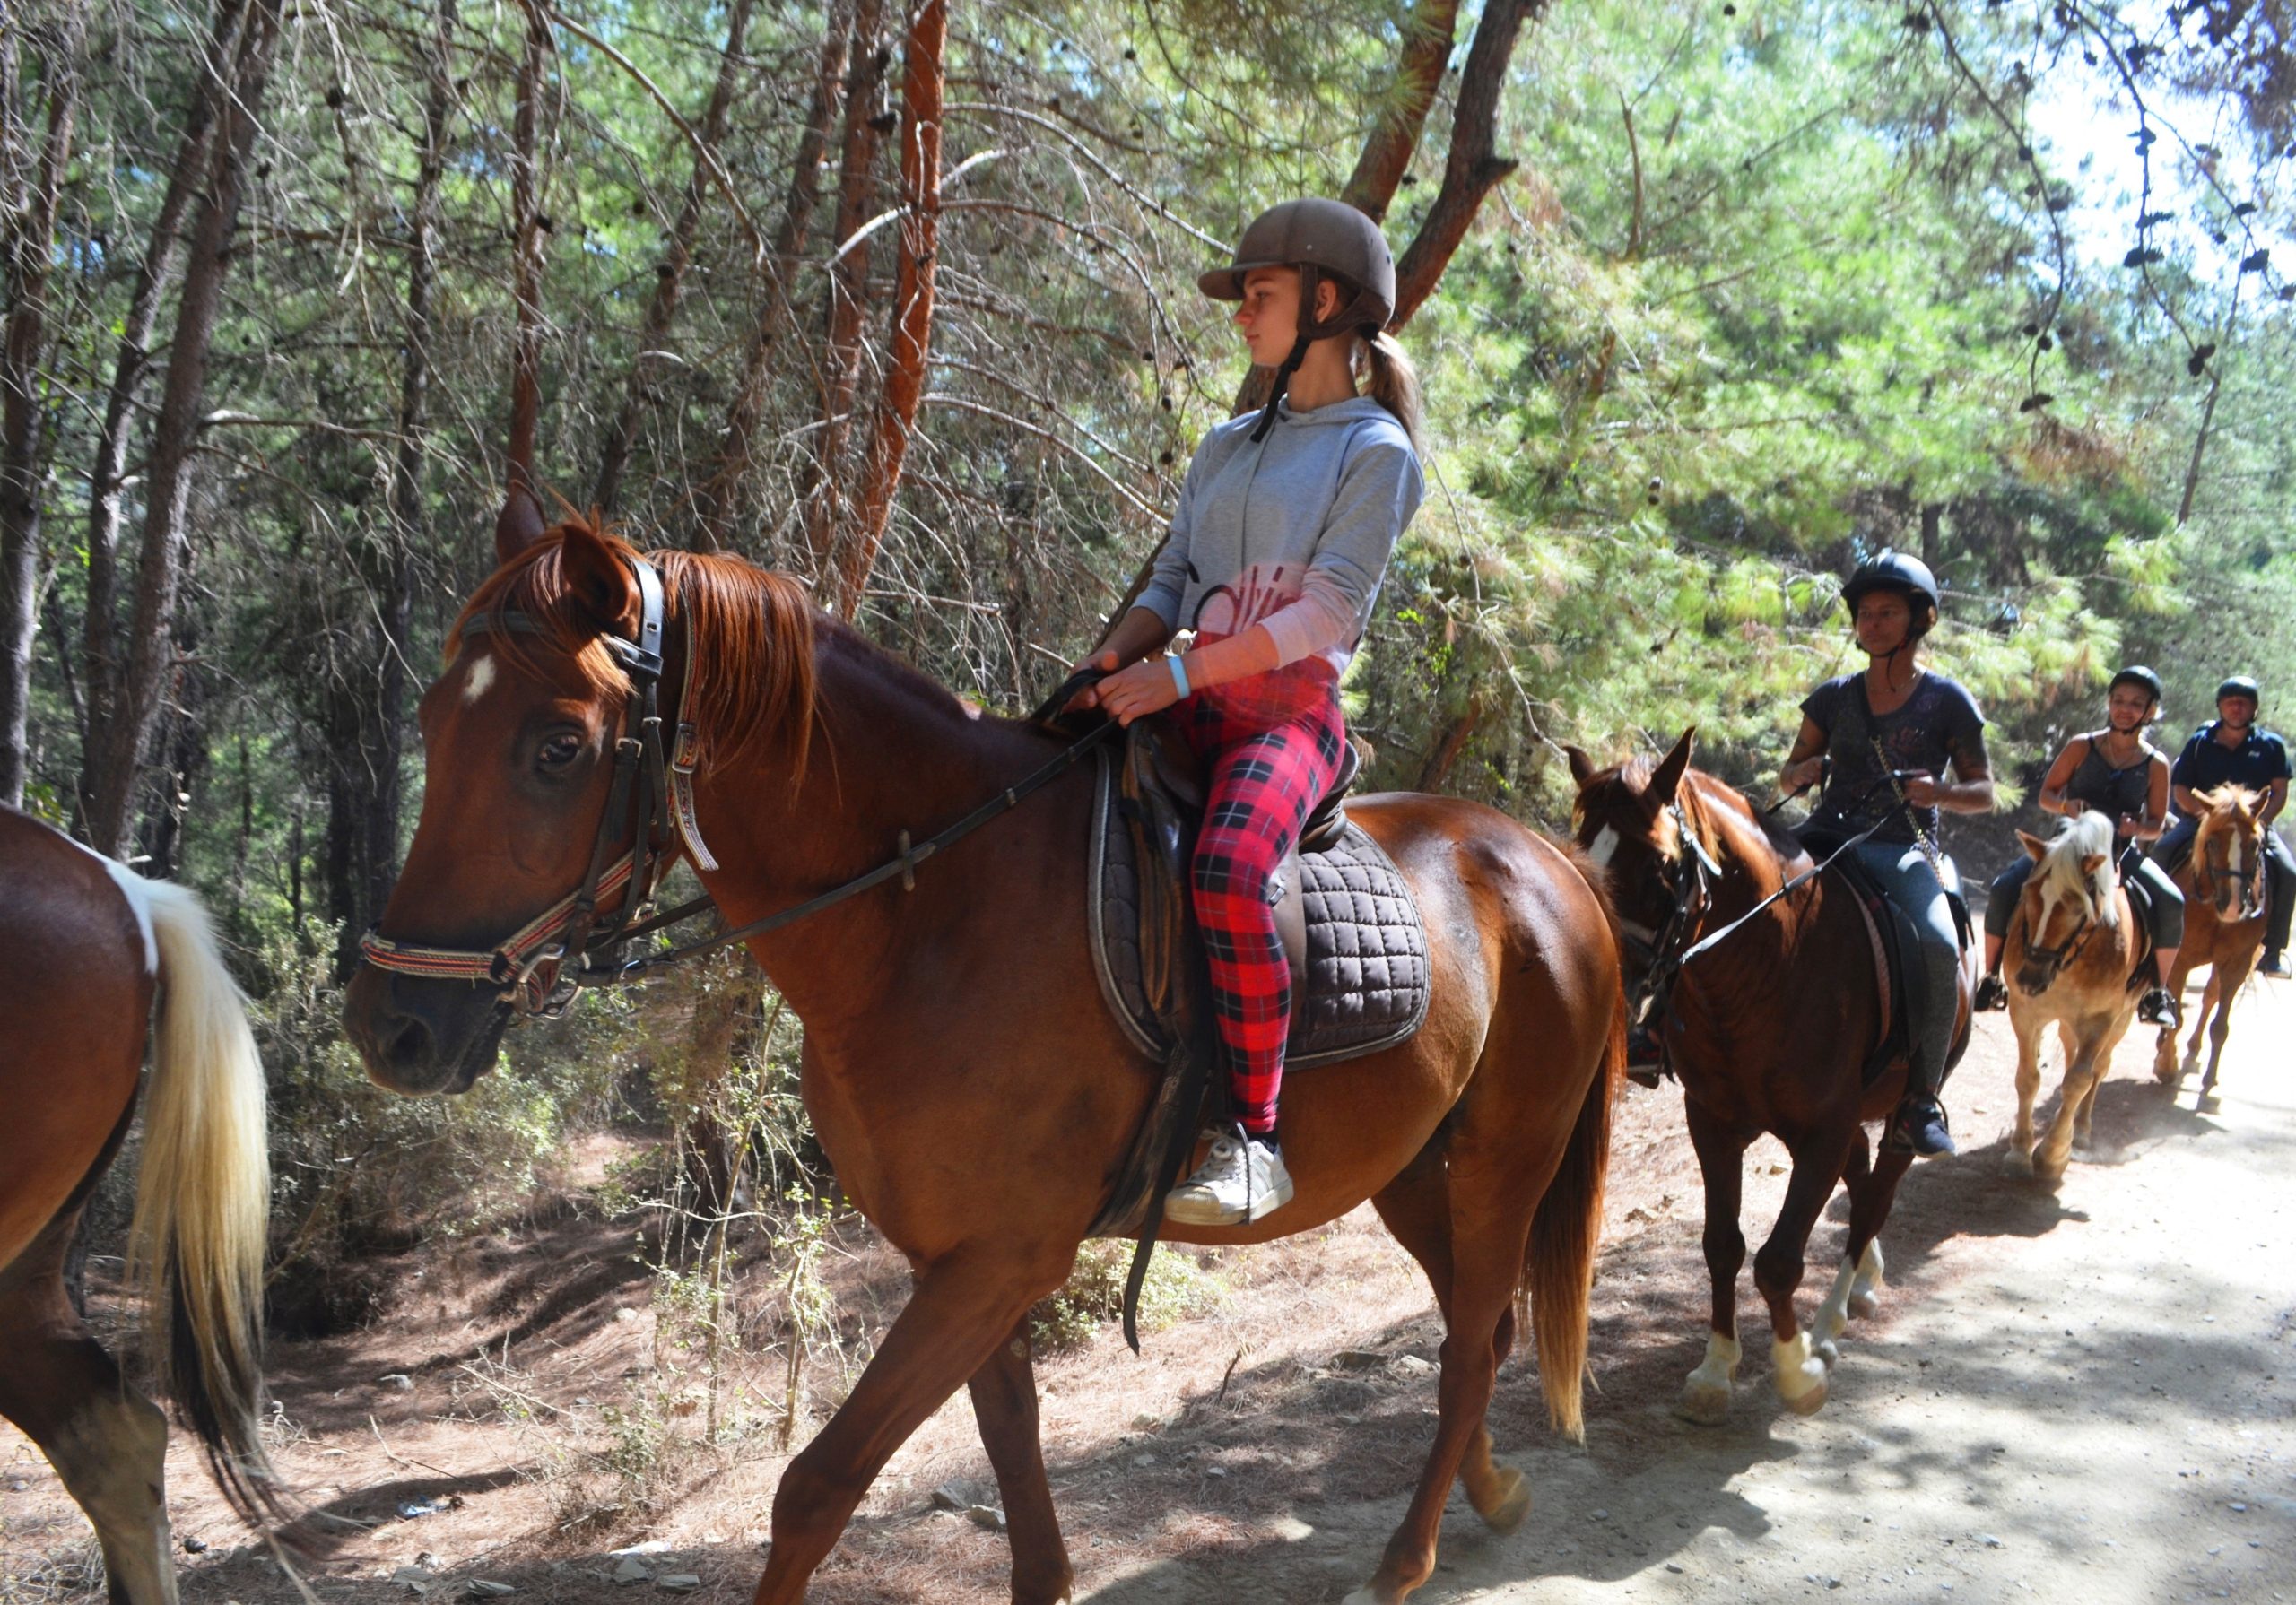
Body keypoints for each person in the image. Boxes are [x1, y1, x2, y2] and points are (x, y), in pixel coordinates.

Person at [1069, 198, 1426, 1226]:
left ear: (1324, 301)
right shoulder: (1225, 444)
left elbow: (1326, 611)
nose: (1240, 316)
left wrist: (1179, 678)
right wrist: (1108, 660)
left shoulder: (1376, 450)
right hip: (1187, 699)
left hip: (1289, 718)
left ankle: (1256, 1138)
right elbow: (1172, 577)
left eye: (1257, 296)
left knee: (1228, 871)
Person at [1779, 551, 1995, 1158]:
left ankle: (1921, 1097)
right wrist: (1803, 772)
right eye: (1865, 613)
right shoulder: (1832, 697)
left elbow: (1985, 792)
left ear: (1919, 619)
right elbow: (1786, 773)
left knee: (1936, 943)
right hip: (1823, 835)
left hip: (1904, 845)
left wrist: (1940, 792)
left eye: (1888, 612)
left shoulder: (1948, 701)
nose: (1872, 623)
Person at [1974, 666, 2184, 1024]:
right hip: (2066, 846)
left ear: (2150, 712)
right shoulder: (2081, 745)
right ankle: (1993, 978)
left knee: (2170, 900)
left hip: (2117, 850)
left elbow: (2156, 825)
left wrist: (2139, 827)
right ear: (2109, 703)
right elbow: (2047, 795)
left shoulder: (2155, 763)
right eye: (2119, 701)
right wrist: (2065, 806)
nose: (2125, 709)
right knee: (2005, 887)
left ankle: (2157, 993)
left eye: (2135, 704)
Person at [2152, 674, 2294, 978]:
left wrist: (2261, 823)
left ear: (2254, 709)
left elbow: (2280, 791)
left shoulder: (2271, 746)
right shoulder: (2200, 742)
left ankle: (2272, 951)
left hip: (2251, 825)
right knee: (2161, 853)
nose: (2236, 709)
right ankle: (2149, 934)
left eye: (2243, 704)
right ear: (2220, 707)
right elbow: (2180, 790)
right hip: (2203, 822)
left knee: (2287, 870)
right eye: (2230, 703)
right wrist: (2206, 820)